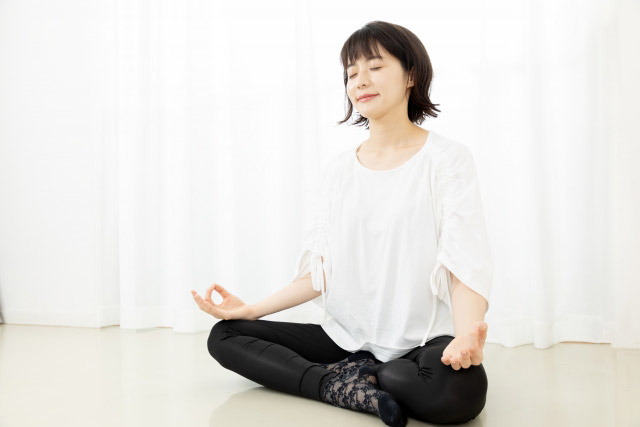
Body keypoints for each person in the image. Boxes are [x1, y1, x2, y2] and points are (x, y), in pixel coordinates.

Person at [192, 20, 493, 426]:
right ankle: (336, 386)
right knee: (225, 335)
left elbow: (463, 262)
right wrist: (250, 309)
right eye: (351, 73)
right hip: (345, 339)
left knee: (460, 395)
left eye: (375, 67)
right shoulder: (338, 172)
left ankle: (374, 377)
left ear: (411, 75)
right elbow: (320, 275)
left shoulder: (447, 160)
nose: (360, 81)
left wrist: (465, 336)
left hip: (420, 341)